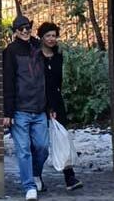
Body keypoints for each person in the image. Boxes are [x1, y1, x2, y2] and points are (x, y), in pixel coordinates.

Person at [3, 15, 49, 201]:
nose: (25, 31)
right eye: (21, 28)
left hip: (40, 109)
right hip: (20, 110)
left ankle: (36, 174)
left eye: (27, 28)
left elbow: (50, 75)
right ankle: (29, 186)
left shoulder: (38, 48)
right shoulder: (11, 52)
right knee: (23, 150)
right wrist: (7, 112)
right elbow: (8, 82)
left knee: (43, 147)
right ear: (15, 32)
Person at [38, 21, 83, 192]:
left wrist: (54, 105)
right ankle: (37, 176)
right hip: (40, 102)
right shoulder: (35, 57)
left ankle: (69, 177)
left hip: (56, 101)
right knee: (40, 143)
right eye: (48, 35)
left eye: (54, 36)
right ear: (41, 37)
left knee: (62, 138)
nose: (51, 39)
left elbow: (59, 82)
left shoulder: (58, 57)